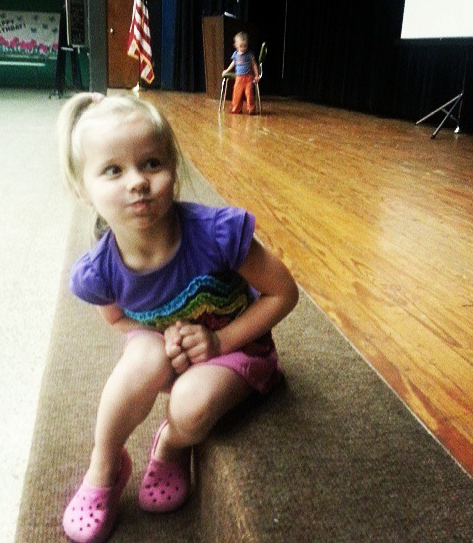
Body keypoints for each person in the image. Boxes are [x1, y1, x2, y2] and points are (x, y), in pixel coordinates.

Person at [58, 92, 298, 542]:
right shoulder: (99, 272)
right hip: (171, 352)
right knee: (141, 358)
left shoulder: (217, 234)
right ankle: (104, 465)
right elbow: (117, 321)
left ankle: (169, 444)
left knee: (189, 404)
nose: (137, 182)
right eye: (113, 170)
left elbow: (284, 293)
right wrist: (160, 336)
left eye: (151, 163)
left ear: (173, 169)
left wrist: (219, 342)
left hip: (237, 349)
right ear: (81, 189)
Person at [222, 31, 260, 115]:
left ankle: (251, 109)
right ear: (235, 45)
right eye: (240, 46)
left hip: (248, 78)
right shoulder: (235, 54)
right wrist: (227, 70)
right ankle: (236, 109)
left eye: (245, 46)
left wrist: (256, 75)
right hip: (239, 78)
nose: (243, 48)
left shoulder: (249, 54)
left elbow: (254, 64)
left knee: (249, 94)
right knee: (237, 94)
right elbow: (233, 63)